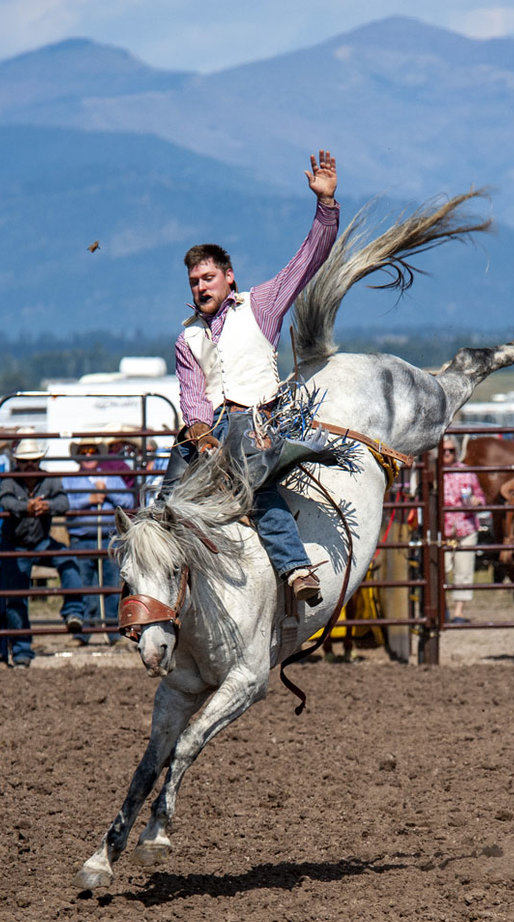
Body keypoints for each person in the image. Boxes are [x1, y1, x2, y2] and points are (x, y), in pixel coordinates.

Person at [173, 149, 339, 606]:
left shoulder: (260, 305)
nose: (201, 287)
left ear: (229, 278)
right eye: (194, 281)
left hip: (256, 421)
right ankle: (154, 600)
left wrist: (324, 206)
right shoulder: (187, 338)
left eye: (208, 277)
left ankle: (295, 567)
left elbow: (309, 259)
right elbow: (193, 398)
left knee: (254, 485)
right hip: (208, 432)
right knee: (166, 503)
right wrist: (202, 435)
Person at [0, 438, 85, 667]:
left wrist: (46, 506)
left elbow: (63, 502)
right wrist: (26, 507)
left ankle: (73, 612)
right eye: (25, 462)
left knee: (68, 560)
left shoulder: (49, 479)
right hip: (15, 544)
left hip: (41, 541)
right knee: (17, 599)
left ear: (39, 461)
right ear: (17, 462)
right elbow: (5, 500)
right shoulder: (9, 480)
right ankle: (21, 652)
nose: (29, 465)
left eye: (33, 461)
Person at [62, 440, 133, 645]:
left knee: (111, 586)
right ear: (79, 455)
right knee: (84, 585)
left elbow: (128, 501)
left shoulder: (111, 478)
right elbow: (65, 504)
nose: (89, 455)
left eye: (93, 451)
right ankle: (83, 633)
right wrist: (89, 499)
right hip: (81, 539)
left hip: (109, 540)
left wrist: (107, 492)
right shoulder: (70, 479)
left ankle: (113, 632)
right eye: (85, 451)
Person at [441, 435, 486, 623]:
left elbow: (480, 497)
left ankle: (458, 612)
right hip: (441, 529)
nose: (448, 454)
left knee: (464, 570)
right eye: (444, 450)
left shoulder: (467, 472)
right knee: (440, 569)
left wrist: (476, 501)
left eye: (451, 450)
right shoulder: (434, 471)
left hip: (466, 527)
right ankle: (441, 608)